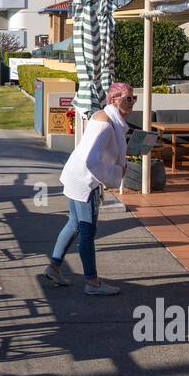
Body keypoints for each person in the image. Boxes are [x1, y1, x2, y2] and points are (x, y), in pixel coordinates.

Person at [45, 82, 134, 295]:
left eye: (133, 98)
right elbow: (92, 161)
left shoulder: (106, 117)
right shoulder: (106, 124)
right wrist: (115, 174)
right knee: (87, 231)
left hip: (75, 176)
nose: (131, 103)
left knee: (74, 224)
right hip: (86, 181)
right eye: (127, 98)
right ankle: (92, 283)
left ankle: (54, 267)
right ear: (114, 100)